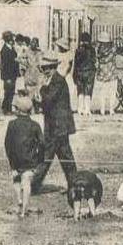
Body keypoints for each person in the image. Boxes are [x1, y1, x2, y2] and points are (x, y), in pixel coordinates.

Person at [31, 56, 78, 193]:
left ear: (53, 67)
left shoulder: (58, 80)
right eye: (43, 68)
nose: (44, 71)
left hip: (58, 126)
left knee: (48, 156)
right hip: (55, 125)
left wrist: (41, 90)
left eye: (47, 68)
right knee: (64, 156)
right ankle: (74, 185)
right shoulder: (53, 80)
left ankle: (33, 186)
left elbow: (48, 99)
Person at [4, 93, 43, 218]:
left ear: (18, 110)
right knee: (26, 182)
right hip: (30, 160)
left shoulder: (11, 124)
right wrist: (39, 160)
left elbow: (7, 143)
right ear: (30, 110)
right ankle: (24, 210)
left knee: (15, 178)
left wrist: (11, 161)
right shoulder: (35, 125)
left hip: (15, 159)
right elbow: (42, 144)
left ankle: (19, 200)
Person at [93, 32, 118, 115]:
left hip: (102, 74)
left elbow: (96, 62)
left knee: (102, 93)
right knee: (112, 93)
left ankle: (102, 110)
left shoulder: (98, 52)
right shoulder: (113, 50)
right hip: (112, 73)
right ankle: (111, 109)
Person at [73, 32, 96, 116]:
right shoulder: (92, 50)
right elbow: (94, 61)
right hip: (89, 72)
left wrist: (74, 74)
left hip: (80, 72)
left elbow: (76, 63)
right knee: (88, 91)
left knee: (80, 90)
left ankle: (80, 109)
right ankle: (87, 109)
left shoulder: (78, 50)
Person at [0, 31, 19, 115]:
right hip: (8, 75)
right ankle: (6, 109)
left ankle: (7, 108)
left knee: (11, 91)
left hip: (13, 74)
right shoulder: (4, 50)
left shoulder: (11, 48)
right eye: (11, 39)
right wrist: (6, 78)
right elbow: (5, 65)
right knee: (8, 92)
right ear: (8, 40)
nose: (13, 41)